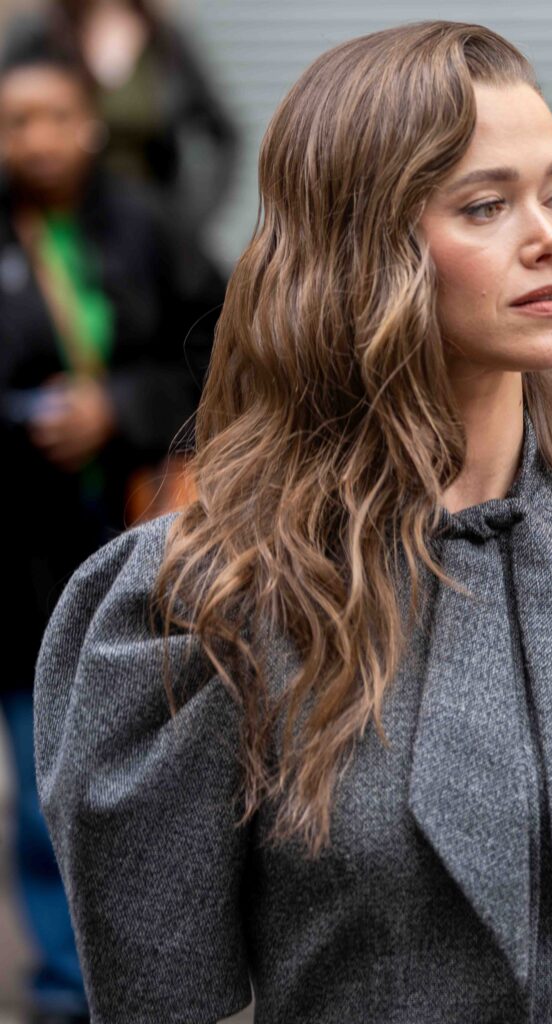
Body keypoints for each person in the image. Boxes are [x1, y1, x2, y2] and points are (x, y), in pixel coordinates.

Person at [32, 21, 552, 1024]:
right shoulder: (209, 600)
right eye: (486, 204)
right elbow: (163, 1002)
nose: (549, 236)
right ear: (362, 246)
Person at [0, 42, 224, 1024]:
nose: (38, 139)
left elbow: (216, 351)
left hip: (129, 537)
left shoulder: (148, 229)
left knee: (136, 780)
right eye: (16, 121)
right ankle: (63, 989)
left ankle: (145, 977)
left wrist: (118, 407)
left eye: (55, 116)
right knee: (41, 791)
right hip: (15, 553)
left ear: (92, 123)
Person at [1, 0, 240, 240]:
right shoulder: (40, 31)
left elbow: (221, 131)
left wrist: (193, 214)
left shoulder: (163, 36)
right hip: (60, 218)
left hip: (150, 223)